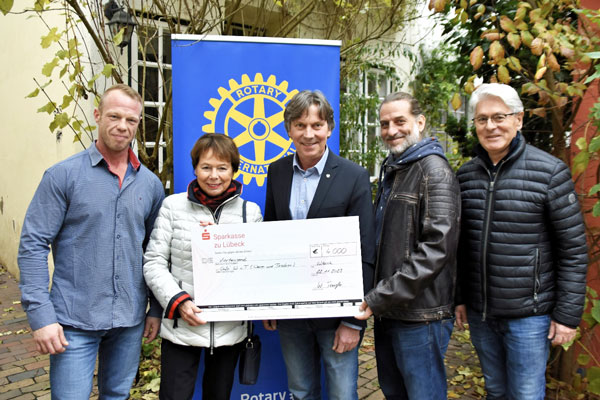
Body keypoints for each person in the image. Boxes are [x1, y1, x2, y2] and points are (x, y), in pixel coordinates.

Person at [17, 84, 165, 399]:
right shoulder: (62, 177)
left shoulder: (150, 185)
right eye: (114, 116)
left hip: (129, 319)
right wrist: (41, 316)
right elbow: (32, 245)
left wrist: (155, 309)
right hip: (74, 320)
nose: (122, 126)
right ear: (97, 116)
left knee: (117, 394)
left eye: (131, 120)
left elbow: (155, 251)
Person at [455, 83, 588, 400]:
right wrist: (460, 296)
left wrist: (567, 316)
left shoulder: (549, 172)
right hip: (481, 313)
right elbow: (460, 247)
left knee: (526, 394)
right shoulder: (465, 176)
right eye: (481, 119)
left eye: (499, 116)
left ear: (519, 119)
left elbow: (573, 250)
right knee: (496, 390)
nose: (490, 126)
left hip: (530, 316)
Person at [262, 90, 375, 400]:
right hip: (291, 312)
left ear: (329, 128)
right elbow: (271, 240)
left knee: (341, 394)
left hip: (336, 314)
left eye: (316, 125)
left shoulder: (354, 176)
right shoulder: (277, 172)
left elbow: (366, 250)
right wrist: (270, 302)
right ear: (288, 129)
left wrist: (353, 321)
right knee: (300, 391)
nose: (308, 134)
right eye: (300, 125)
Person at [356, 92, 461, 399]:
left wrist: (381, 296)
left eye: (399, 121)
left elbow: (436, 248)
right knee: (395, 392)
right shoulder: (396, 169)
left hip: (420, 315)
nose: (391, 131)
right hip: (390, 310)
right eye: (384, 124)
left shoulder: (434, 171)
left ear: (420, 122)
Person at [143, 133, 263, 400]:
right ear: (195, 167)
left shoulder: (249, 213)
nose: (214, 176)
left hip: (229, 331)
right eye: (206, 167)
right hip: (181, 327)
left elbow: (256, 269)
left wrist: (223, 242)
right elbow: (154, 262)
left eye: (222, 168)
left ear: (233, 169)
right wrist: (179, 302)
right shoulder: (173, 207)